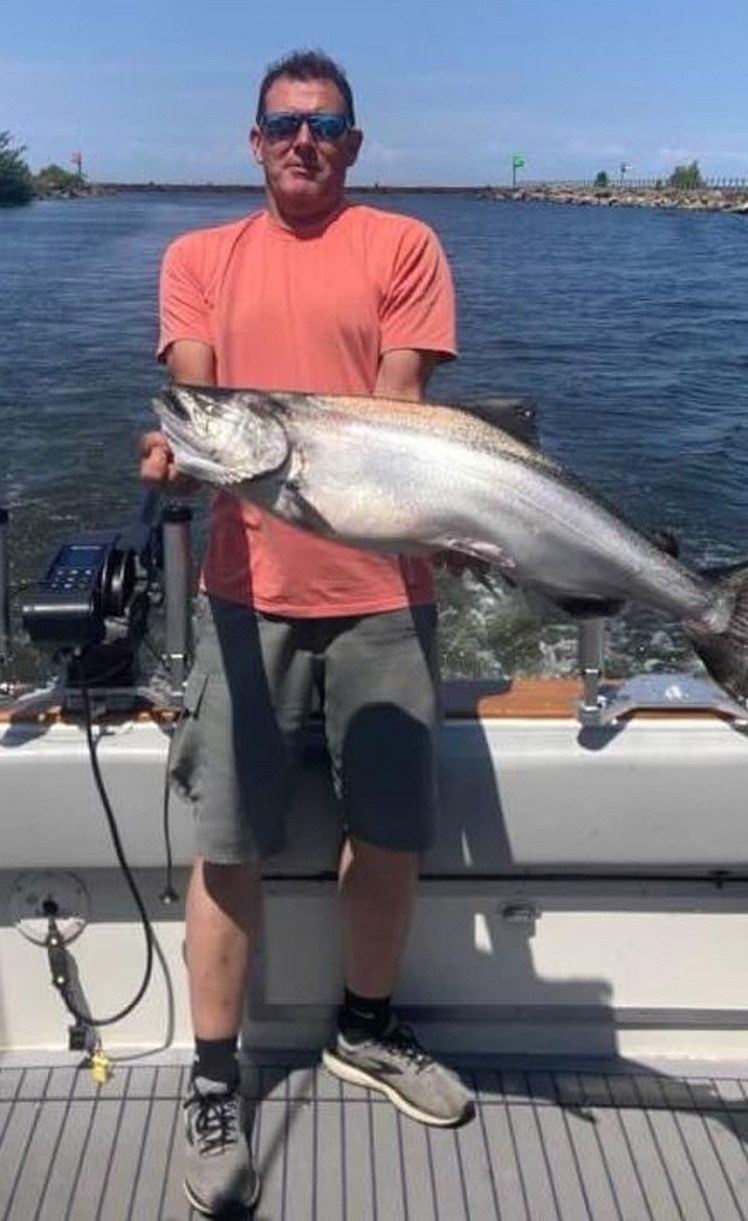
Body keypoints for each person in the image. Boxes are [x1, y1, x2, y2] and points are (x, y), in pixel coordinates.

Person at [139, 48, 473, 1217]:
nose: (303, 141)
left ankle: (366, 1029)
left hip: (385, 596)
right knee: (227, 842)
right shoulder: (196, 259)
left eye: (325, 125)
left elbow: (400, 405)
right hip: (244, 596)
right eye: (284, 124)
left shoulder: (404, 246)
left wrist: (456, 521)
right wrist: (186, 448)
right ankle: (214, 1079)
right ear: (254, 140)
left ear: (353, 143)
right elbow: (198, 391)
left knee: (386, 836)